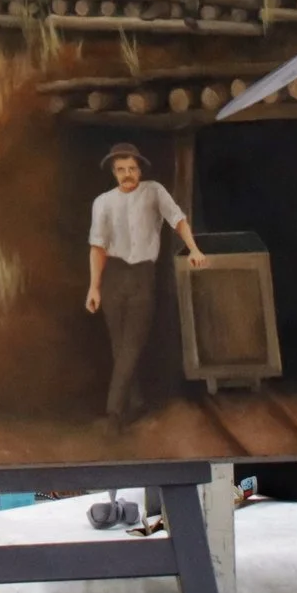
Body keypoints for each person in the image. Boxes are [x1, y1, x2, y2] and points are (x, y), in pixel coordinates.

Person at [83, 143, 207, 428]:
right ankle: (135, 403)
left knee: (132, 344)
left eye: (132, 169)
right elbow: (97, 247)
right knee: (119, 344)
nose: (127, 175)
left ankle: (113, 413)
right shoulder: (102, 202)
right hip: (113, 275)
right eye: (121, 170)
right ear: (114, 172)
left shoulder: (154, 192)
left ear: (140, 169)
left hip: (142, 275)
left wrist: (194, 249)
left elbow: (177, 219)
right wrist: (94, 287)